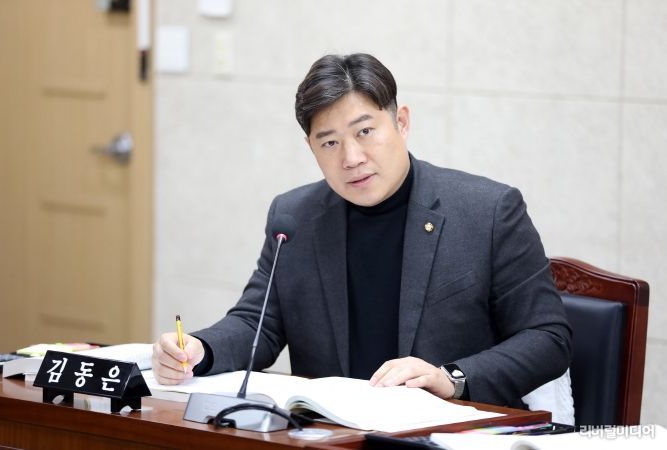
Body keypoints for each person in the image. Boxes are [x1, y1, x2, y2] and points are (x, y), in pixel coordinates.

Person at [152, 53, 572, 409]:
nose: (351, 157)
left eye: (365, 132)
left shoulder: (488, 211)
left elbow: (548, 338)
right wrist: (200, 349)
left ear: (401, 122)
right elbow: (257, 324)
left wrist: (452, 378)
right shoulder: (295, 217)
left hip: (453, 431)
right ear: (311, 148)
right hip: (332, 433)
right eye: (329, 143)